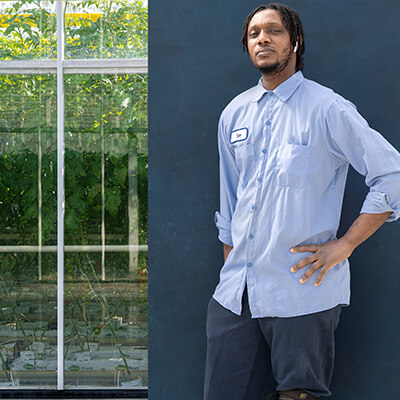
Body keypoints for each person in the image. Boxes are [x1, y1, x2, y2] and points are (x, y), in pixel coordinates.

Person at [203, 2, 400, 400]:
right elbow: (230, 203)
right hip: (235, 294)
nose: (263, 38)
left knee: (300, 397)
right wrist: (234, 261)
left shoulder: (327, 108)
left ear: (296, 41)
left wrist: (344, 246)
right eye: (255, 33)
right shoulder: (234, 114)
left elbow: (392, 175)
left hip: (302, 290)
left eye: (274, 30)